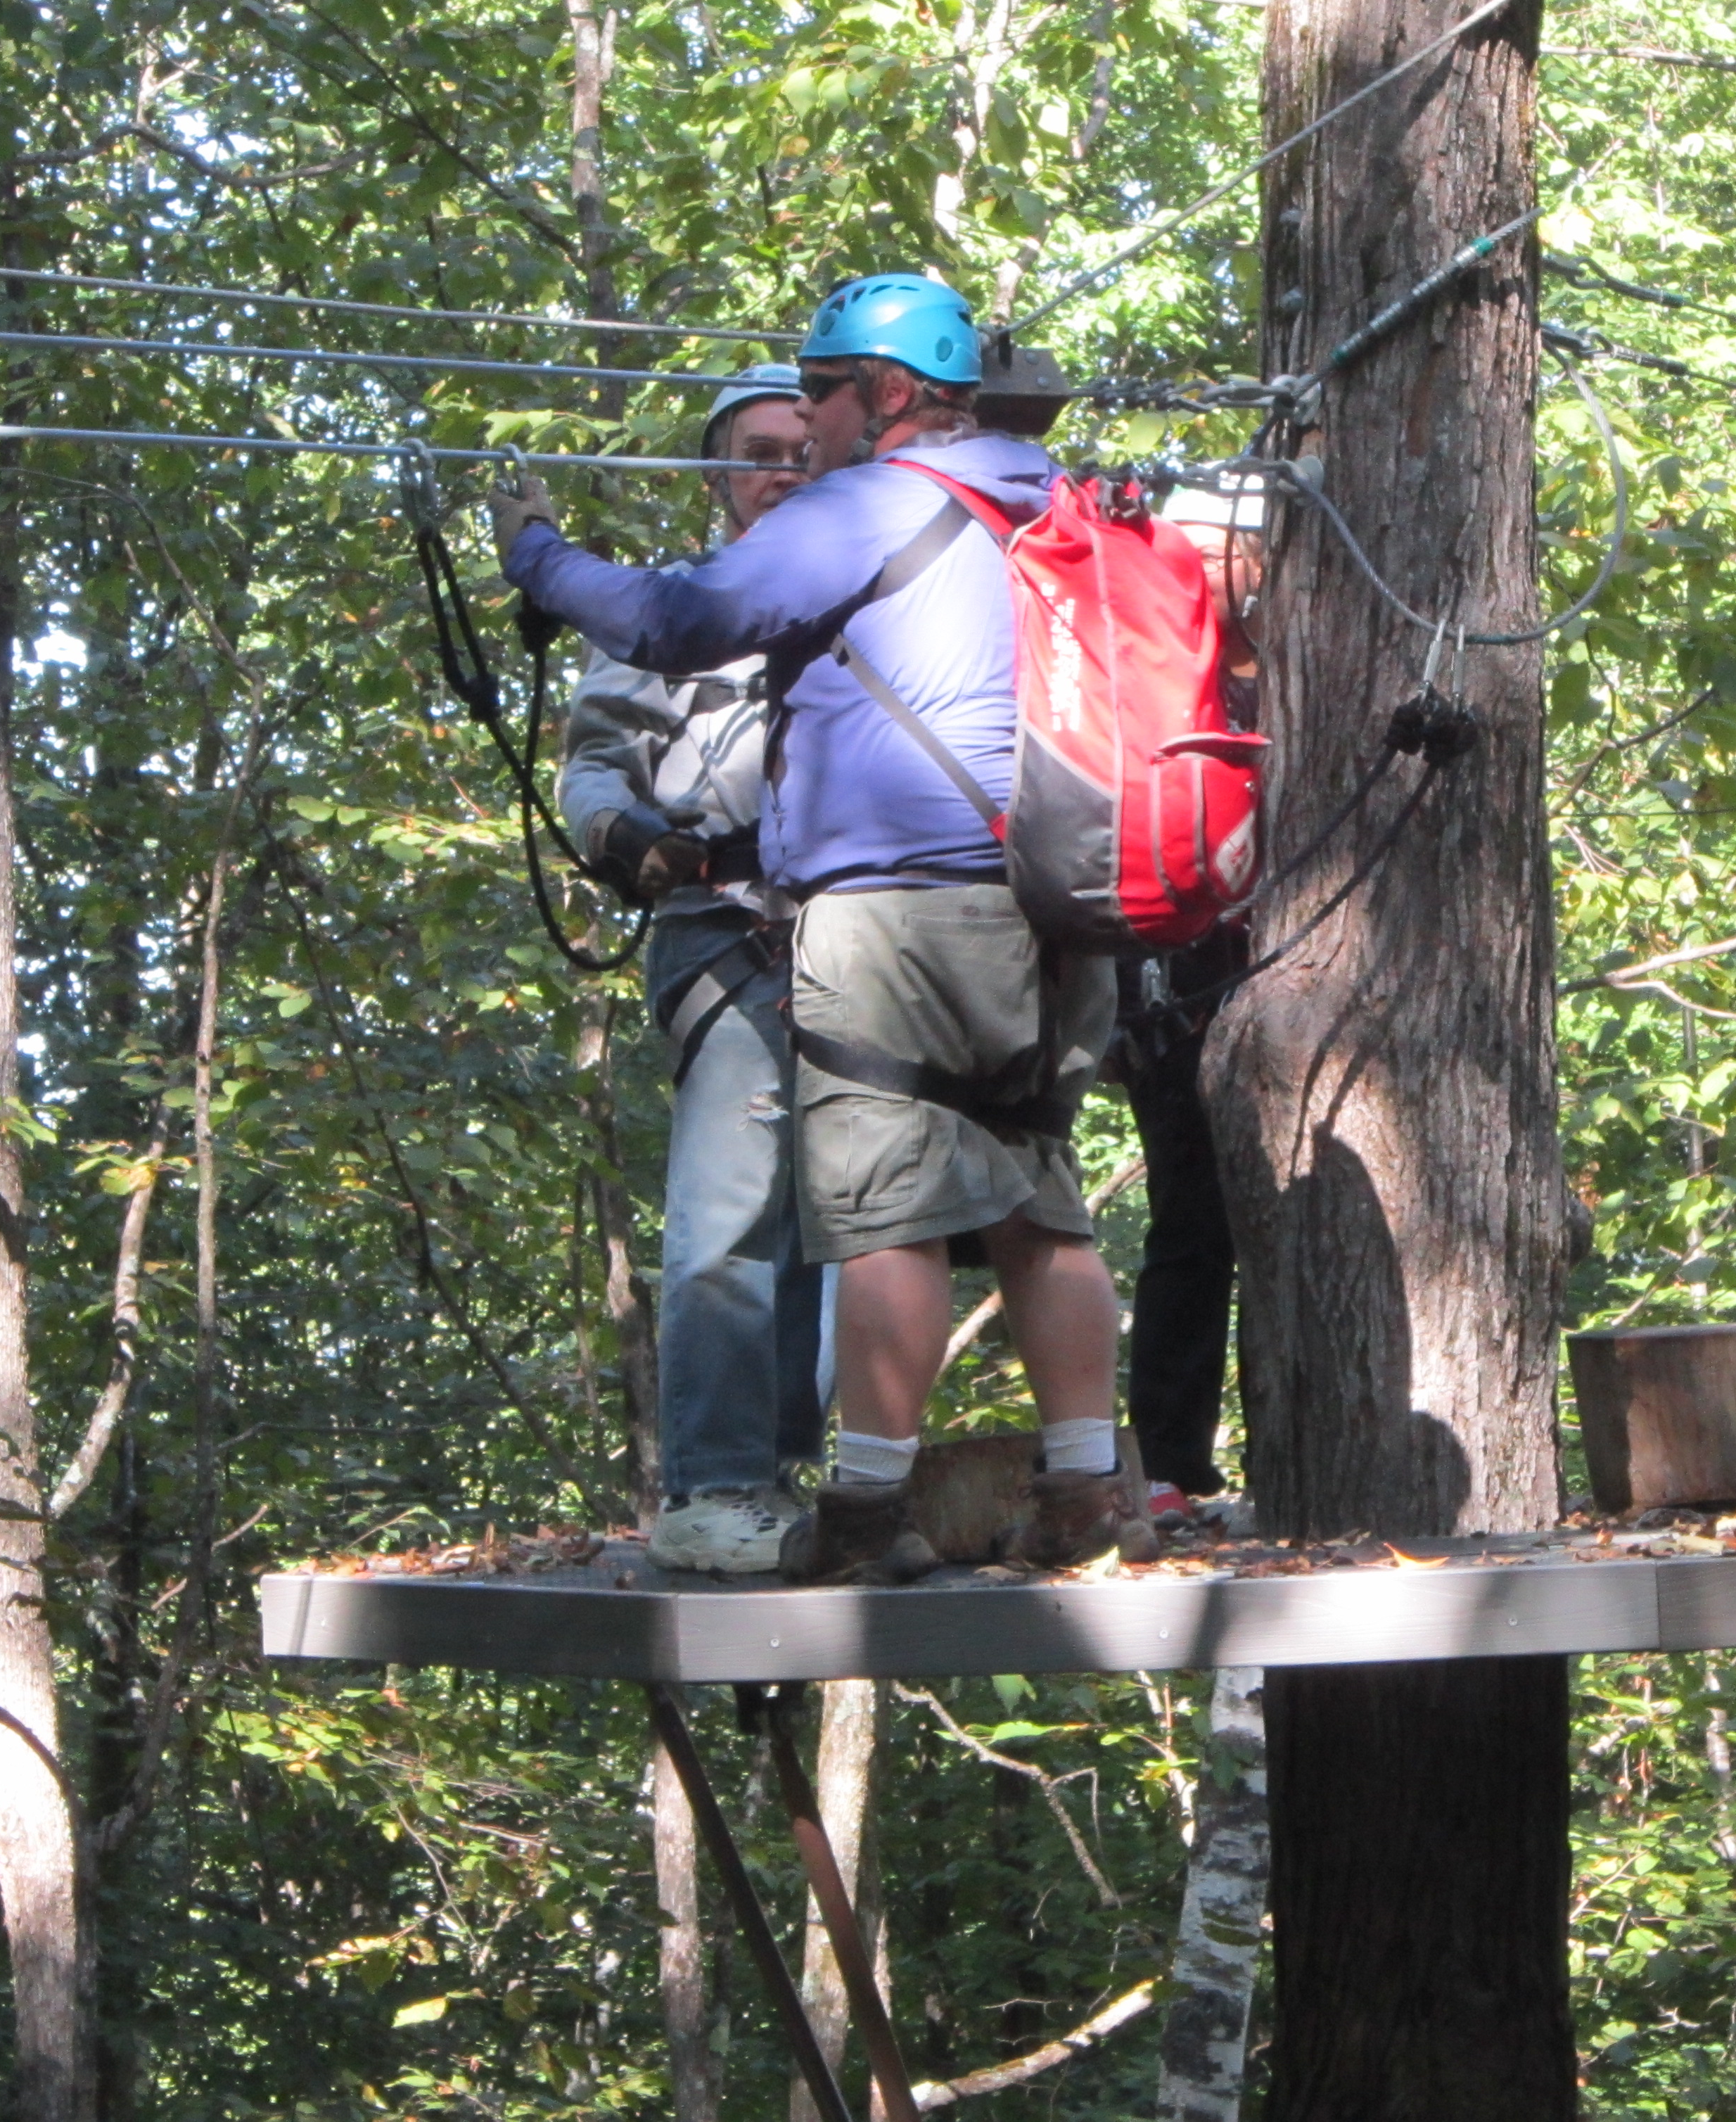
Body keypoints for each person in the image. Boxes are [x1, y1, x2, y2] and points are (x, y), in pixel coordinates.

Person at [502, 274, 1151, 1584]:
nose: (808, 425)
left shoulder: (877, 500)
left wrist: (540, 559)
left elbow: (684, 622)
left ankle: (864, 1514)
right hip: (1062, 905)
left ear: (891, 392)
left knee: (886, 1212)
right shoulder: (1049, 496)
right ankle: (1089, 1490)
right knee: (1038, 1204)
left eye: (821, 390)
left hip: (900, 904)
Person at [558, 361, 821, 1575]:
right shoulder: (669, 611)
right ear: (718, 474)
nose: (783, 469)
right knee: (730, 1216)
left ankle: (812, 1469)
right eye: (759, 450)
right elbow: (596, 763)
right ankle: (720, 1482)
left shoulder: (883, 587)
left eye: (803, 448)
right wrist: (626, 839)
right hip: (725, 927)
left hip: (870, 927)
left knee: (858, 1215)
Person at [1115, 473, 1263, 1518]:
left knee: (1296, 1228)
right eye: (1190, 546)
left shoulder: (1304, 676)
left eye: (1222, 549)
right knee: (1191, 1220)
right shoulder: (1159, 670)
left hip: (1285, 961)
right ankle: (1170, 1463)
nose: (1203, 568)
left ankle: (1295, 1448)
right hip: (1176, 977)